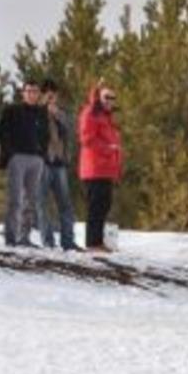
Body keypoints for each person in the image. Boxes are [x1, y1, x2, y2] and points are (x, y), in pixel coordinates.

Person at [0, 79, 48, 247]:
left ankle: (24, 236)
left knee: (31, 200)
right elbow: (3, 132)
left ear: (38, 94)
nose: (31, 94)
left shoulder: (42, 112)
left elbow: (45, 135)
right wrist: (10, 153)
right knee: (15, 199)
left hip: (36, 159)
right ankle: (11, 236)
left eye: (35, 91)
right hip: (17, 157)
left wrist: (42, 154)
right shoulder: (12, 110)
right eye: (28, 91)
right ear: (23, 93)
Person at [36, 79, 81, 251]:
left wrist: (58, 115)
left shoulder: (60, 113)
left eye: (53, 94)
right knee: (42, 203)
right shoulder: (35, 112)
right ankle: (48, 241)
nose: (51, 97)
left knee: (66, 204)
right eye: (47, 94)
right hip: (42, 163)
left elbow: (72, 129)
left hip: (59, 163)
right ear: (42, 95)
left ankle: (68, 241)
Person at [78, 84, 122, 253]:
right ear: (98, 97)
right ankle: (92, 243)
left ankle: (98, 241)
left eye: (113, 98)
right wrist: (108, 149)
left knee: (104, 204)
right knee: (96, 206)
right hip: (94, 168)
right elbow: (87, 139)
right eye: (106, 97)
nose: (110, 101)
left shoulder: (106, 116)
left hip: (106, 169)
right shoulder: (91, 113)